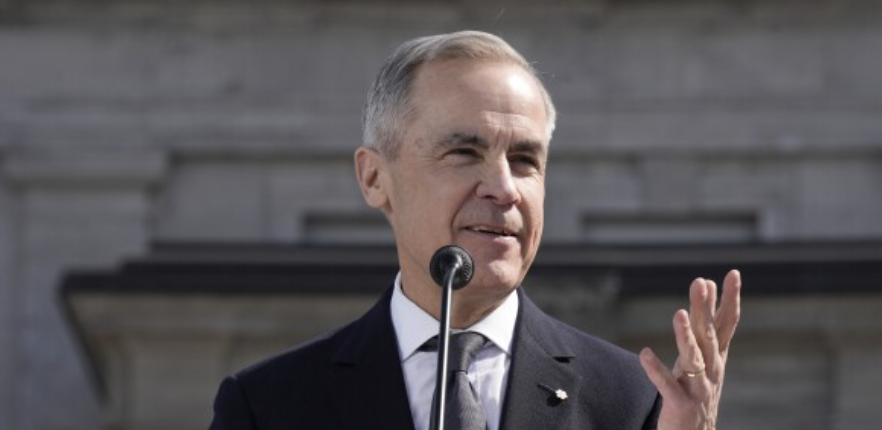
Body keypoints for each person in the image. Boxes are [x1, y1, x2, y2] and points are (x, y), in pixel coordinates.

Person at [208, 30, 741, 430]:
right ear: (374, 178)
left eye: (525, 160)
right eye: (464, 152)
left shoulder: (634, 400)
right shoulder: (268, 405)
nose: (504, 189)